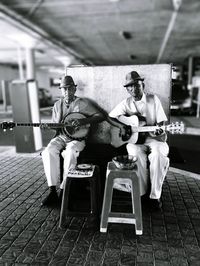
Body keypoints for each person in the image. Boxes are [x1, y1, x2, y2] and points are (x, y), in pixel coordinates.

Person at [108, 71, 169, 209]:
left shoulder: (153, 100)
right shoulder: (126, 103)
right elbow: (110, 117)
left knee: (158, 156)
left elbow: (162, 123)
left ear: (143, 85)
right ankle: (140, 194)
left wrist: (158, 129)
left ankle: (154, 197)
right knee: (136, 156)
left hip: (154, 138)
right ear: (127, 89)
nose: (134, 89)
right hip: (135, 141)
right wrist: (123, 127)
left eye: (137, 85)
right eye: (130, 86)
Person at [41, 75, 105, 206]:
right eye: (64, 89)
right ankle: (52, 190)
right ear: (61, 90)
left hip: (77, 139)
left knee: (70, 153)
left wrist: (83, 121)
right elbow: (56, 126)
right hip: (61, 137)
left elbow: (100, 116)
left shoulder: (82, 103)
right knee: (48, 152)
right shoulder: (57, 105)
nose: (67, 91)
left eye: (70, 88)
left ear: (74, 89)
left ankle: (65, 191)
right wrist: (48, 127)